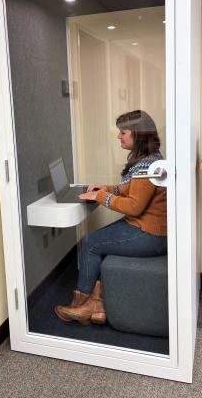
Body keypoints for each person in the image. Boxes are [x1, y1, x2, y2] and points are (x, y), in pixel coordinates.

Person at [54, 110, 167, 326]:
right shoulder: (147, 161)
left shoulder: (149, 167)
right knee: (99, 240)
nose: (119, 137)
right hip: (146, 228)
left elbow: (134, 206)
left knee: (91, 243)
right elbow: (128, 189)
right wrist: (104, 188)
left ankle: (81, 304)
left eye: (123, 132)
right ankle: (95, 305)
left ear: (137, 134)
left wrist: (100, 196)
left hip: (151, 236)